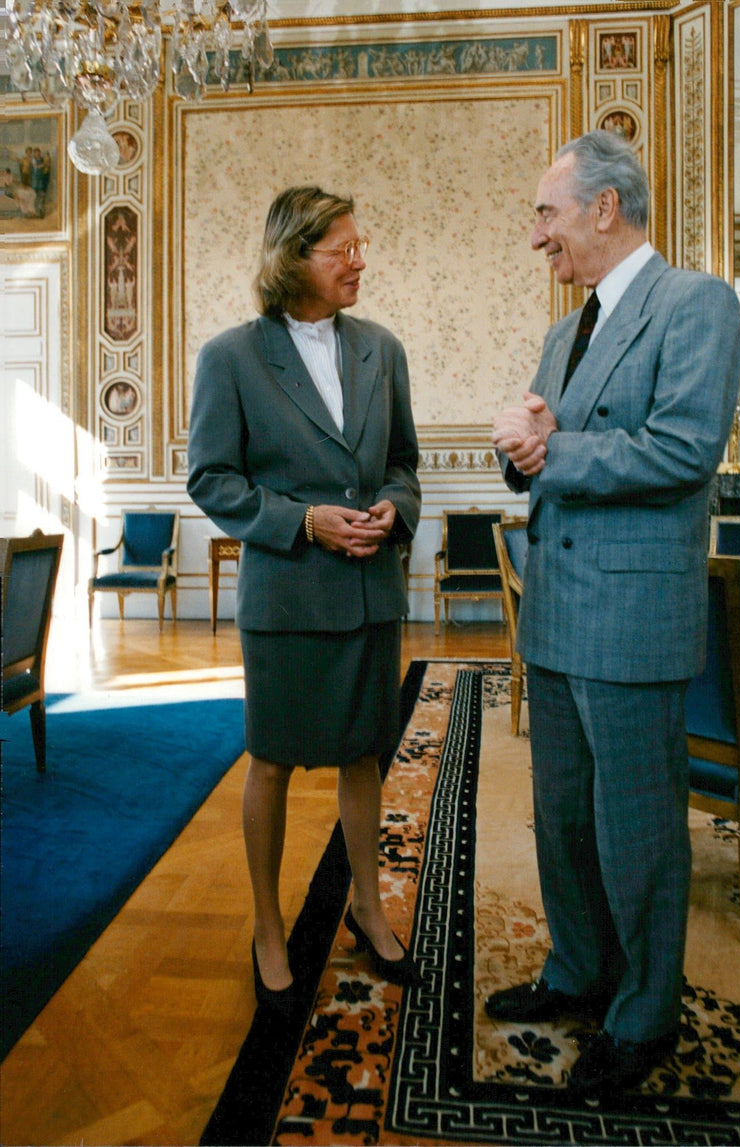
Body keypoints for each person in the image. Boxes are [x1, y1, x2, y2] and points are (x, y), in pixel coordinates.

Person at [488, 131, 740, 1094]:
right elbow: (547, 444)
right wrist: (522, 448)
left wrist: (558, 453)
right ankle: (578, 970)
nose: (537, 237)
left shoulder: (696, 304)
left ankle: (645, 1013)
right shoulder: (566, 330)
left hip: (631, 620)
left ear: (604, 207)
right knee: (560, 817)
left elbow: (684, 450)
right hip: (553, 614)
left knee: (636, 827)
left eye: (546, 214)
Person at [187, 185, 422, 1014]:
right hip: (287, 598)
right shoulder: (231, 357)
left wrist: (398, 509)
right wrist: (305, 521)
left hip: (370, 595)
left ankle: (366, 906)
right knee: (275, 759)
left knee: (365, 754)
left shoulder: (383, 349)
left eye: (361, 245)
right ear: (293, 259)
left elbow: (404, 461)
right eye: (342, 249)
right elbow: (211, 478)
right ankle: (267, 927)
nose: (360, 260)